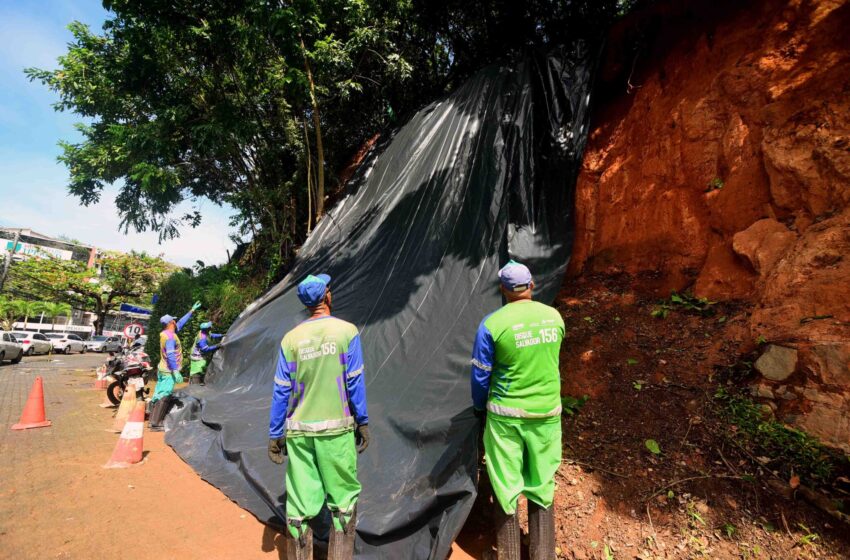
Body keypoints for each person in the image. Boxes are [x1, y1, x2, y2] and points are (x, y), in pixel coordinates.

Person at [268, 274, 369, 560]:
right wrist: (362, 420)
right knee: (343, 502)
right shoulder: (346, 332)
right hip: (336, 431)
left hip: (299, 432)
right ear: (327, 296)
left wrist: (276, 433)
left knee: (299, 506)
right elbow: (354, 381)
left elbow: (281, 390)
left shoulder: (291, 339)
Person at [470, 261, 565, 560]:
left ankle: (508, 554)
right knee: (542, 484)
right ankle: (543, 554)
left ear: (503, 290)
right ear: (532, 284)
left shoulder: (492, 325)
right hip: (547, 415)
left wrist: (478, 408)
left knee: (505, 486)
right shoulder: (555, 318)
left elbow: (480, 375)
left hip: (506, 417)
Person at [148, 301, 201, 431]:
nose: (176, 322)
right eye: (174, 320)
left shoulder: (167, 333)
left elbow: (181, 323)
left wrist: (191, 311)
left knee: (159, 393)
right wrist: (176, 371)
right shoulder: (170, 337)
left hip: (162, 368)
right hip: (168, 370)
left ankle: (152, 420)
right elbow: (171, 355)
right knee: (165, 395)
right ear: (171, 323)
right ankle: (156, 423)